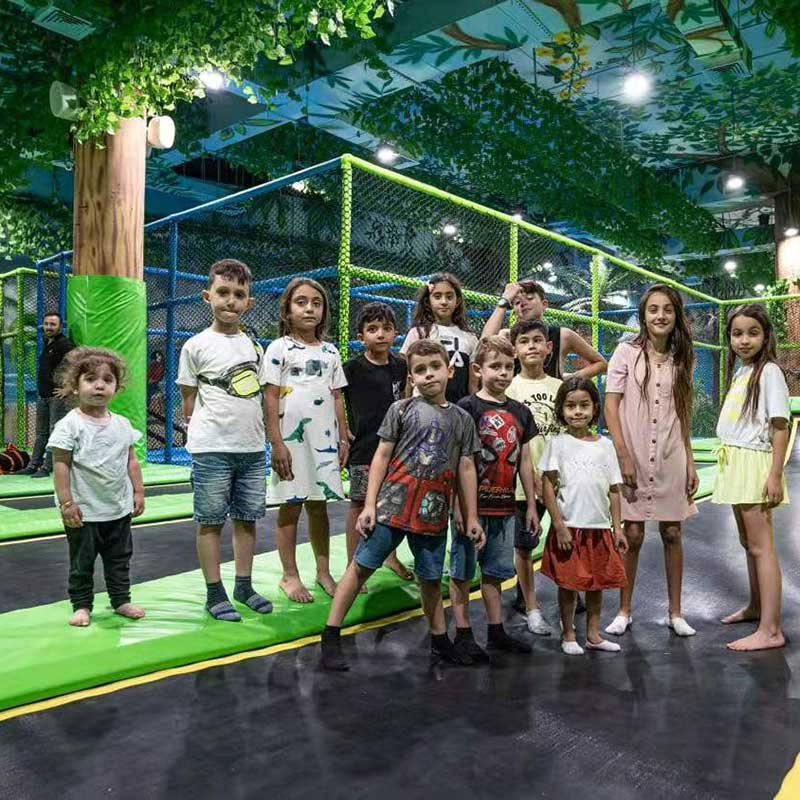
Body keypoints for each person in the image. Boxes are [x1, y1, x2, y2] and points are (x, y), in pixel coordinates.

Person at [321, 339, 483, 671]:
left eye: (435, 367)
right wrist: (369, 505)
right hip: (391, 506)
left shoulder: (463, 419)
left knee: (429, 577)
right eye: (419, 370)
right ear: (411, 377)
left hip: (433, 513)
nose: (428, 375)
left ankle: (440, 640)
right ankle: (331, 633)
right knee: (360, 566)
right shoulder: (401, 410)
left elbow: (466, 467)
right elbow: (381, 455)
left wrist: (471, 515)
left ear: (449, 371)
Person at [177, 259, 273, 622]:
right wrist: (197, 431)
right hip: (212, 448)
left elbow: (262, 395)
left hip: (250, 448)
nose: (230, 301)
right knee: (211, 521)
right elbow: (188, 397)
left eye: (239, 295)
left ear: (248, 301)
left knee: (247, 519)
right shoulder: (196, 345)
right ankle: (214, 592)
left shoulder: (253, 347)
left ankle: (243, 585)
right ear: (207, 296)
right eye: (223, 293)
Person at [604, 284, 699, 637]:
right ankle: (624, 610)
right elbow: (611, 405)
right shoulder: (626, 352)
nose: (660, 315)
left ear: (676, 316)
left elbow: (684, 412)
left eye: (668, 309)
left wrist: (689, 461)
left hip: (672, 453)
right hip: (635, 454)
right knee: (632, 532)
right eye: (653, 309)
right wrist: (622, 454)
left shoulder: (683, 356)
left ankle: (676, 613)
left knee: (673, 532)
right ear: (643, 314)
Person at [450, 336, 540, 662]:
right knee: (462, 571)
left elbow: (525, 461)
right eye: (495, 366)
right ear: (478, 369)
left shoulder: (521, 412)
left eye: (508, 367)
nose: (503, 373)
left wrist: (529, 504)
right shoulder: (466, 408)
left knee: (494, 572)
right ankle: (461, 633)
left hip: (504, 506)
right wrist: (459, 506)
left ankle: (496, 630)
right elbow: (458, 461)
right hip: (472, 508)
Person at [47, 347, 145, 627]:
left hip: (117, 507)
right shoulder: (70, 425)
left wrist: (138, 491)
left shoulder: (123, 424)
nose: (99, 385)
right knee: (82, 563)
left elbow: (131, 461)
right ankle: (81, 605)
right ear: (75, 386)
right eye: (90, 379)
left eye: (107, 380)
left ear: (116, 387)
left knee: (120, 558)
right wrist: (67, 503)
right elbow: (61, 464)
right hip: (84, 511)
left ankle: (120, 599)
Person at [266, 277, 349, 603]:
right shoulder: (280, 348)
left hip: (324, 440)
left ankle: (323, 570)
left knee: (319, 506)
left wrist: (343, 437)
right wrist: (276, 442)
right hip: (291, 441)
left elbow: (337, 397)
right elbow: (271, 397)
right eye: (301, 302)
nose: (309, 308)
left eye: (316, 303)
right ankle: (289, 575)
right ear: (287, 309)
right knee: (291, 505)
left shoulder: (330, 351)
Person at [713, 304, 790, 651]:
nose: (744, 340)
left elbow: (780, 426)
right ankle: (758, 607)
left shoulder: (769, 371)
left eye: (752, 333)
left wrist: (775, 473)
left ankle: (771, 629)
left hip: (754, 462)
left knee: (762, 546)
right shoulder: (743, 370)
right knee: (749, 544)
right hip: (736, 460)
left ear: (765, 335)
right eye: (737, 334)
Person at [539, 377, 628, 655]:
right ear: (561, 410)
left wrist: (618, 527)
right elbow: (548, 486)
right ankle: (568, 634)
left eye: (584, 406)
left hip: (599, 528)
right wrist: (558, 524)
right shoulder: (558, 443)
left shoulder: (605, 445)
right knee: (568, 584)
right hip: (570, 527)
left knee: (596, 583)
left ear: (595, 408)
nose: (577, 412)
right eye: (570, 406)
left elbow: (614, 489)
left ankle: (593, 634)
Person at [343, 302, 411, 586]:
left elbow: (406, 398)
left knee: (390, 506)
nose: (380, 334)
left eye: (385, 329)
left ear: (395, 333)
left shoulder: (401, 365)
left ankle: (390, 556)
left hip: (395, 448)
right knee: (359, 505)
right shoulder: (352, 368)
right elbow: (335, 399)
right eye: (372, 329)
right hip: (364, 447)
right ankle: (351, 566)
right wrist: (342, 429)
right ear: (361, 336)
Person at [505, 319, 561, 632]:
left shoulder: (560, 387)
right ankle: (531, 606)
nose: (531, 346)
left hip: (559, 480)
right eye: (524, 341)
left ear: (549, 347)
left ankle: (572, 590)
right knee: (524, 546)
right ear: (515, 349)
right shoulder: (510, 389)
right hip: (523, 483)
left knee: (568, 539)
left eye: (538, 340)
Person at [481, 279, 606, 381]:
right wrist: (504, 301)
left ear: (544, 304)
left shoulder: (562, 335)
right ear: (514, 311)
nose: (523, 303)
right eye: (517, 302)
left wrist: (568, 380)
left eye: (530, 298)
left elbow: (600, 363)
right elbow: (483, 345)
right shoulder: (507, 336)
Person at [400, 272, 479, 402]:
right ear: (428, 301)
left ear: (457, 301)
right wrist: (405, 404)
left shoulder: (469, 337)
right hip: (422, 406)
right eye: (437, 296)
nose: (444, 302)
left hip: (457, 407)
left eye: (449, 297)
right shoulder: (418, 333)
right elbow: (407, 374)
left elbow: (473, 384)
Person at [24, 311, 74, 478]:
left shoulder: (65, 344)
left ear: (60, 327)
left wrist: (68, 389)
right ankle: (33, 465)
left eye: (53, 324)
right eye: (46, 324)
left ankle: (47, 468)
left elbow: (79, 365)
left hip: (57, 398)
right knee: (41, 433)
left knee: (55, 432)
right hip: (43, 396)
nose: (49, 327)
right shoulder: (48, 342)